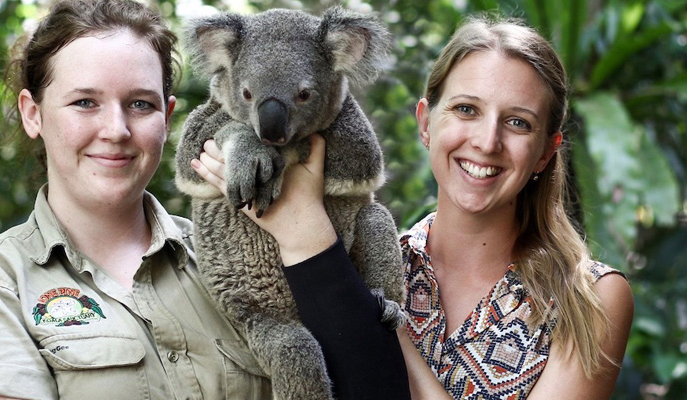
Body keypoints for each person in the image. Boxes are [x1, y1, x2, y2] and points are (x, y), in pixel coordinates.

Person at [192, 15, 634, 400]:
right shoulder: (380, 255)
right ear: (425, 123)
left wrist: (369, 310)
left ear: (544, 153)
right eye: (465, 109)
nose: (486, 141)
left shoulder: (591, 299)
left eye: (518, 122)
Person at [0, 1, 274, 399]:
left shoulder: (239, 258)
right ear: (32, 114)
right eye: (85, 102)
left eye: (140, 104)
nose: (116, 130)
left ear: (167, 116)